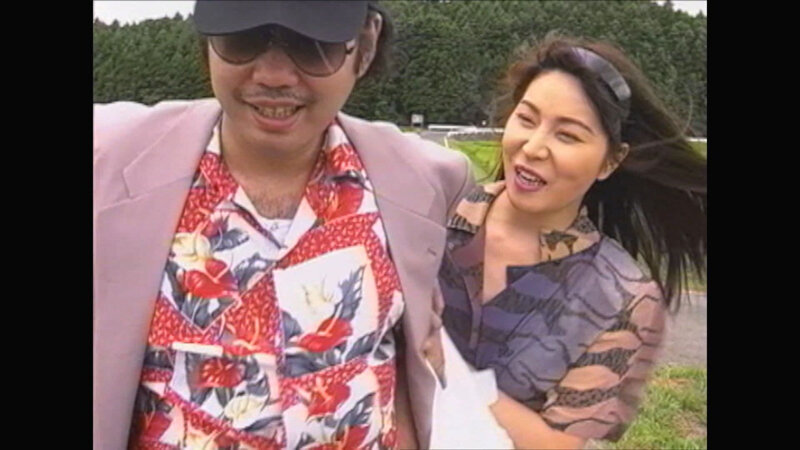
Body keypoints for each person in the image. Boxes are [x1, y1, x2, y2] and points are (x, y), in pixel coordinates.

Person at [93, 1, 475, 448]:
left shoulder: (426, 180)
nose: (273, 75)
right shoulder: (111, 161)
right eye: (243, 39)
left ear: (366, 45)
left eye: (311, 45)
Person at [439, 34, 707, 449]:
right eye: (526, 119)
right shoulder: (434, 211)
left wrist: (443, 367)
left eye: (567, 135)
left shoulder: (623, 297)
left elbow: (560, 444)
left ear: (611, 161)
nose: (533, 147)